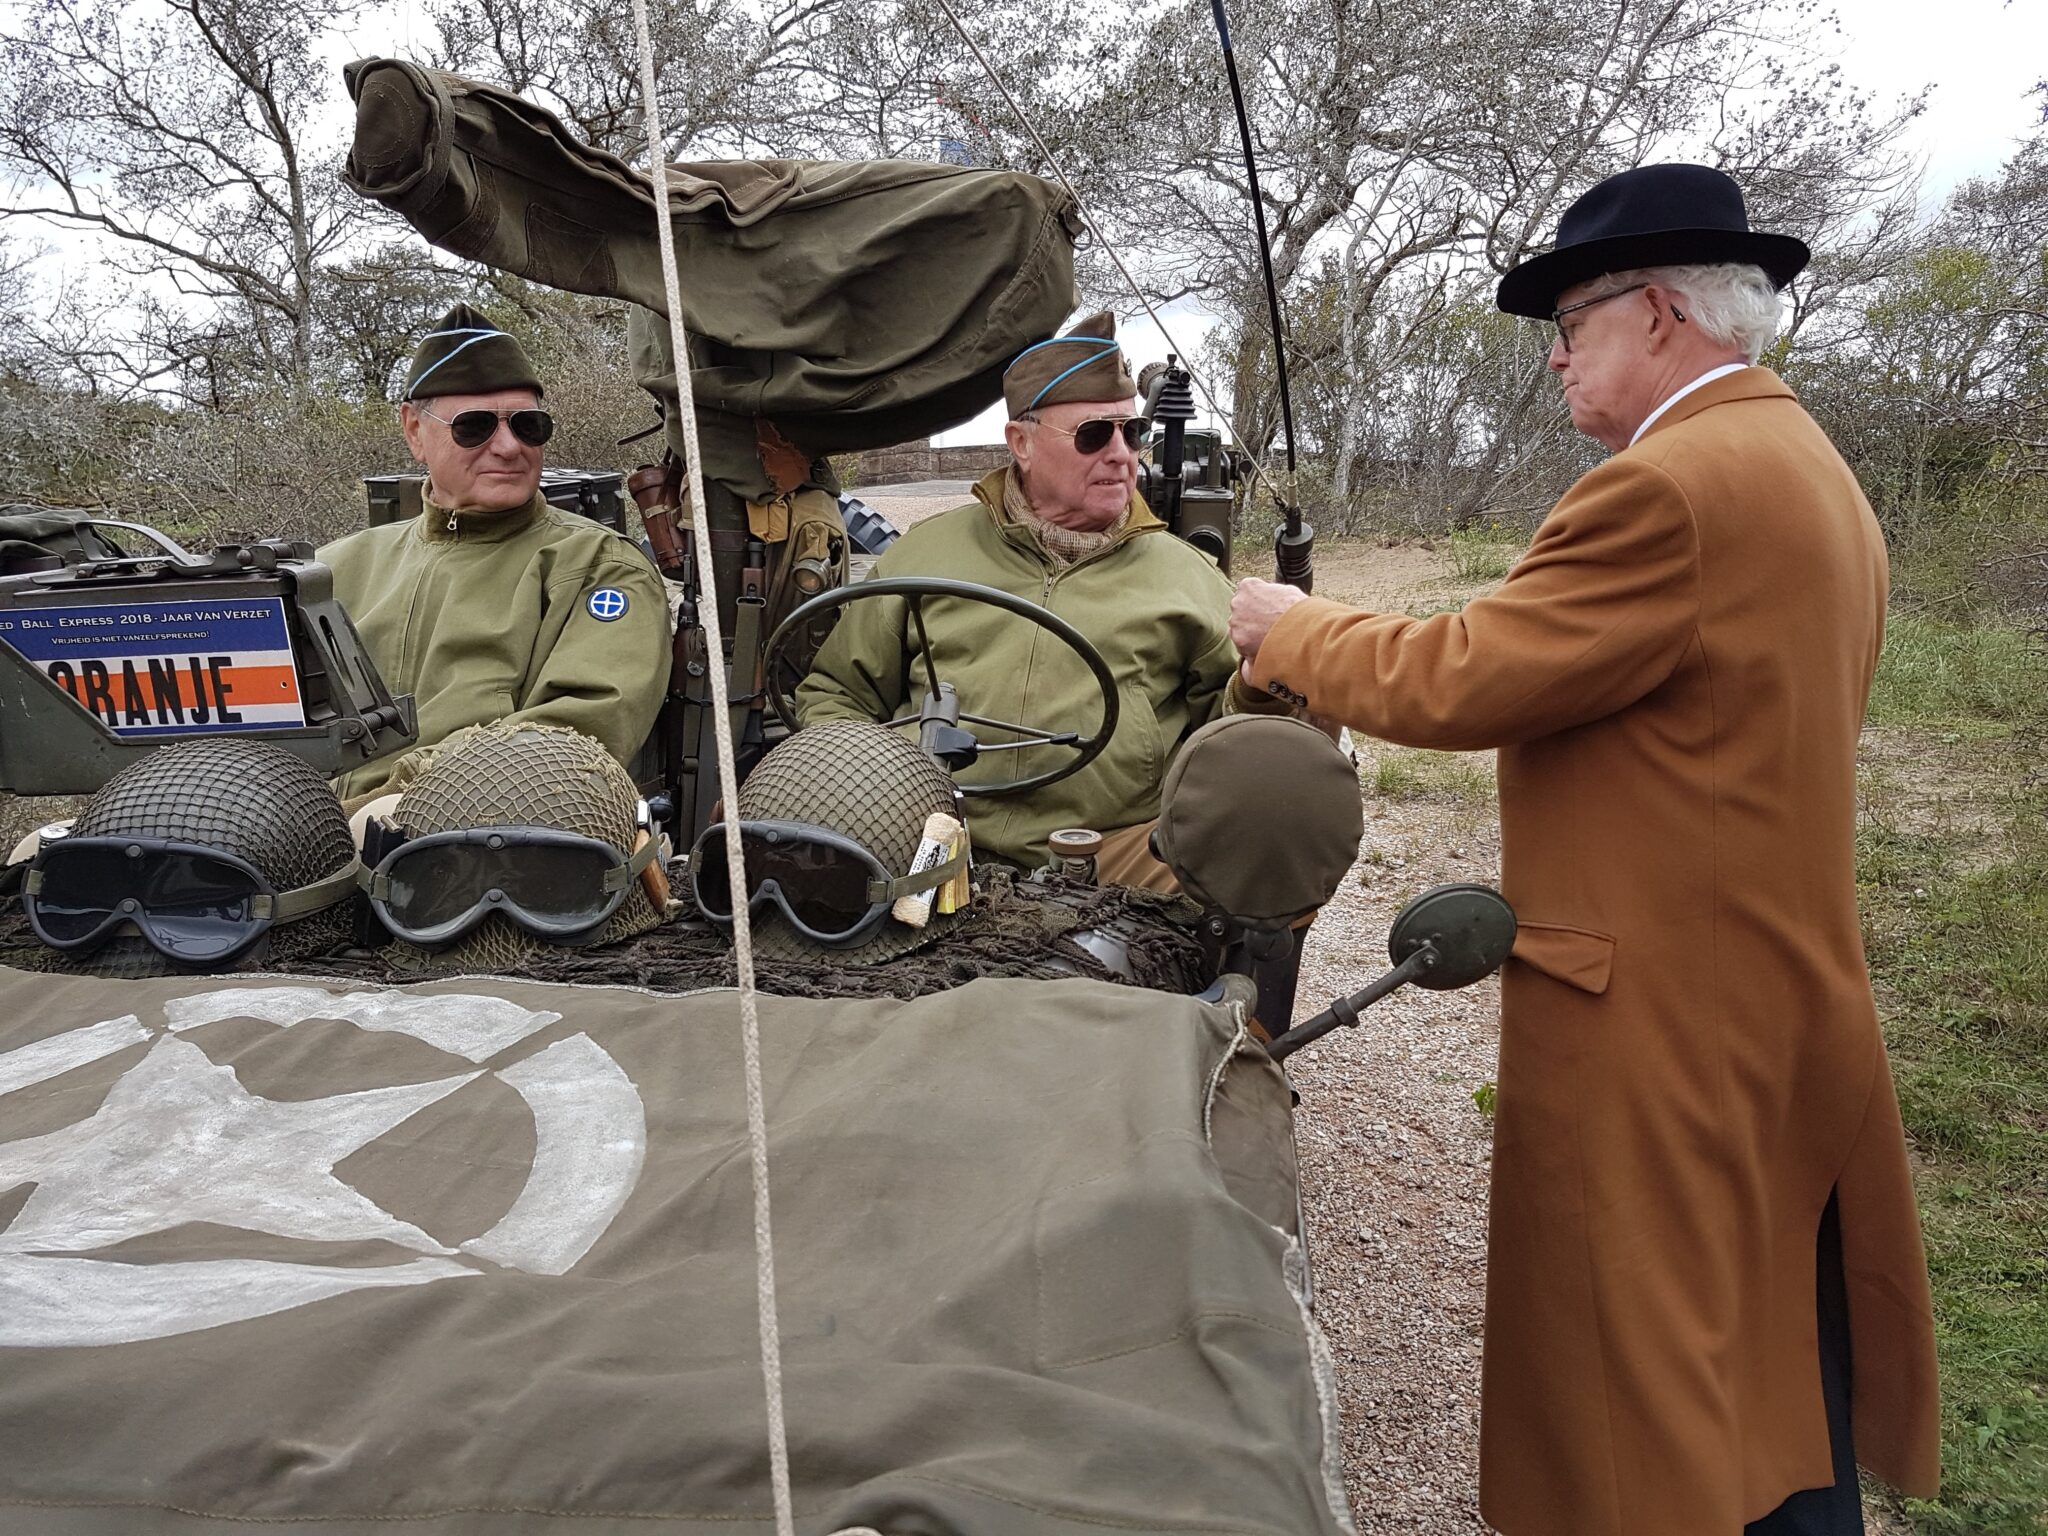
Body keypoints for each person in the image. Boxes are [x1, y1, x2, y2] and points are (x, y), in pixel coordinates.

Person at [1229, 164, 1940, 1535]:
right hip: (1775, 993)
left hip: (1666, 1017)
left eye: (1572, 322)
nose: (1557, 356)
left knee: (1647, 1383)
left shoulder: (1669, 486)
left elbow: (1468, 674)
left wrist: (1289, 631)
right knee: (1770, 1363)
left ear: (1660, 313)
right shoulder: (1805, 465)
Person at [796, 311, 1288, 889]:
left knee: (1284, 824)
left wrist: (1260, 685)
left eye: (1132, 434)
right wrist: (874, 798)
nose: (1121, 455)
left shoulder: (1187, 578)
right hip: (921, 840)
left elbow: (1229, 740)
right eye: (1092, 435)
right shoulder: (925, 556)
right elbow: (836, 693)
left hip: (1116, 853)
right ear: (1021, 443)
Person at [320, 302, 669, 809]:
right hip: (300, 827)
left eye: (528, 425)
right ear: (415, 431)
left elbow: (573, 736)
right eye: (475, 426)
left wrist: (391, 799)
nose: (507, 446)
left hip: (475, 830)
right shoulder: (332, 572)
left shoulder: (595, 567)